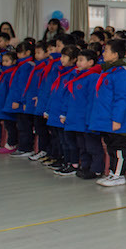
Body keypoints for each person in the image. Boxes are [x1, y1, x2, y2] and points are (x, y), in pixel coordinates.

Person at [90, 39, 126, 187]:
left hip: (117, 120)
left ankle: (119, 175)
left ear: (116, 54)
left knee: (118, 148)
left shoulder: (122, 74)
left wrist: (117, 119)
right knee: (110, 147)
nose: (103, 54)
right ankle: (112, 172)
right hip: (107, 118)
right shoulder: (108, 71)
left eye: (106, 51)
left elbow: (123, 99)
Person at [62, 49, 102, 178]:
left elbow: (92, 100)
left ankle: (96, 169)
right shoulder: (77, 76)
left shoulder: (93, 77)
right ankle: (85, 166)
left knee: (92, 146)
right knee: (82, 145)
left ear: (91, 62)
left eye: (81, 60)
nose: (78, 63)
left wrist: (89, 119)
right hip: (77, 118)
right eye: (78, 60)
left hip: (87, 118)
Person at [47, 46, 80, 175]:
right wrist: (48, 109)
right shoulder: (61, 73)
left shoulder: (73, 74)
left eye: (65, 56)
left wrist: (64, 113)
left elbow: (68, 96)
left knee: (68, 141)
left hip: (64, 113)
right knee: (60, 140)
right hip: (56, 111)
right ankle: (64, 160)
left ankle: (73, 163)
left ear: (74, 59)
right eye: (62, 56)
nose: (62, 59)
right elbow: (54, 92)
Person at [8, 40, 37, 157]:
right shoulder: (22, 65)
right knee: (21, 125)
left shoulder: (27, 66)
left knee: (24, 126)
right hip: (21, 100)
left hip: (22, 101)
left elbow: (24, 85)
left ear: (28, 53)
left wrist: (20, 100)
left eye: (20, 53)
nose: (18, 55)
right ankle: (23, 146)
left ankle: (26, 148)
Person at [0, 50, 20, 153]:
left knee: (11, 125)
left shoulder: (12, 73)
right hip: (3, 103)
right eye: (3, 61)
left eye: (7, 61)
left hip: (9, 103)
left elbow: (13, 89)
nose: (4, 63)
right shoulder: (4, 73)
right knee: (7, 124)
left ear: (14, 61)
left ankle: (12, 143)